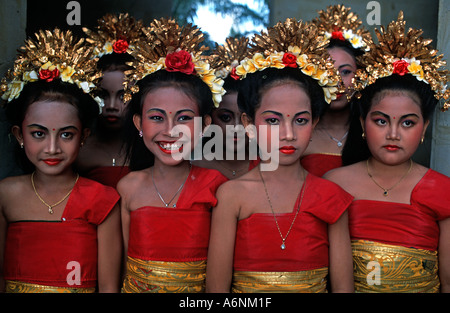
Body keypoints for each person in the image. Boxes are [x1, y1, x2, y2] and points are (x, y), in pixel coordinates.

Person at [205, 19, 354, 293]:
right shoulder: (231, 196)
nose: (288, 134)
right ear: (249, 123)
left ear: (315, 122)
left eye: (300, 120)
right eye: (273, 121)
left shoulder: (332, 196)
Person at [324, 12, 450, 292]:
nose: (393, 134)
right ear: (362, 123)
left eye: (408, 123)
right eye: (381, 121)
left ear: (425, 127)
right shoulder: (334, 184)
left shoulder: (444, 190)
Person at [0, 29, 122, 293]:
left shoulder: (103, 200)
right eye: (39, 134)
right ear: (20, 135)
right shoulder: (5, 195)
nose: (52, 148)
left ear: (83, 137)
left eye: (66, 134)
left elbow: (109, 288)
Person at [118, 18, 228, 293]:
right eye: (156, 117)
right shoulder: (127, 188)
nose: (171, 131)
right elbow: (120, 269)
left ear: (205, 126)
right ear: (138, 124)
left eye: (184, 118)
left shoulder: (218, 186)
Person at [301, 5, 373, 177]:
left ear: (361, 75)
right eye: (328, 72)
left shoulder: (374, 132)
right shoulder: (299, 132)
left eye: (345, 72)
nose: (337, 82)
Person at [76, 13, 143, 188]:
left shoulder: (150, 149)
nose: (111, 106)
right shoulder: (77, 150)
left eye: (123, 96)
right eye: (103, 95)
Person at [193, 37, 258, 179]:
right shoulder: (192, 169)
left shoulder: (271, 169)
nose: (236, 127)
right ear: (208, 120)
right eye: (225, 118)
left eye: (245, 119)